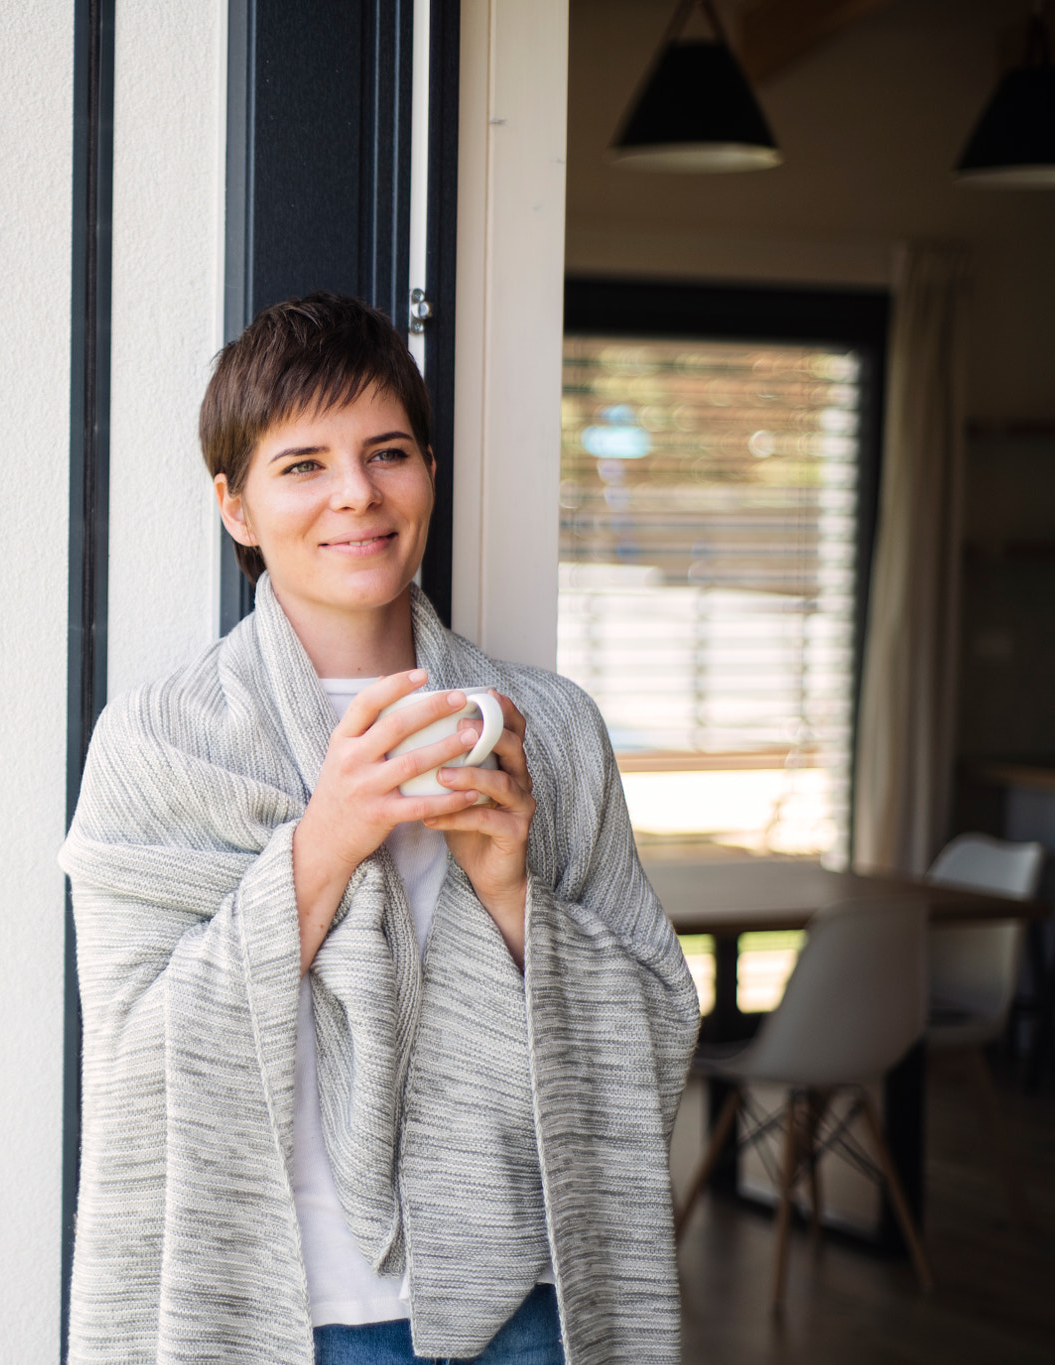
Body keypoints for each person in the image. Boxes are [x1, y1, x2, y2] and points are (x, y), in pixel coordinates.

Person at [60, 293, 699, 1365]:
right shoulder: (157, 744)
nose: (355, 493)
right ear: (235, 508)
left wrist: (509, 897)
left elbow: (654, 1025)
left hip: (522, 1312)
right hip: (271, 1311)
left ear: (429, 474)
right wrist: (325, 841)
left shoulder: (551, 730)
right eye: (302, 464)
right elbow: (131, 1067)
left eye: (387, 452)